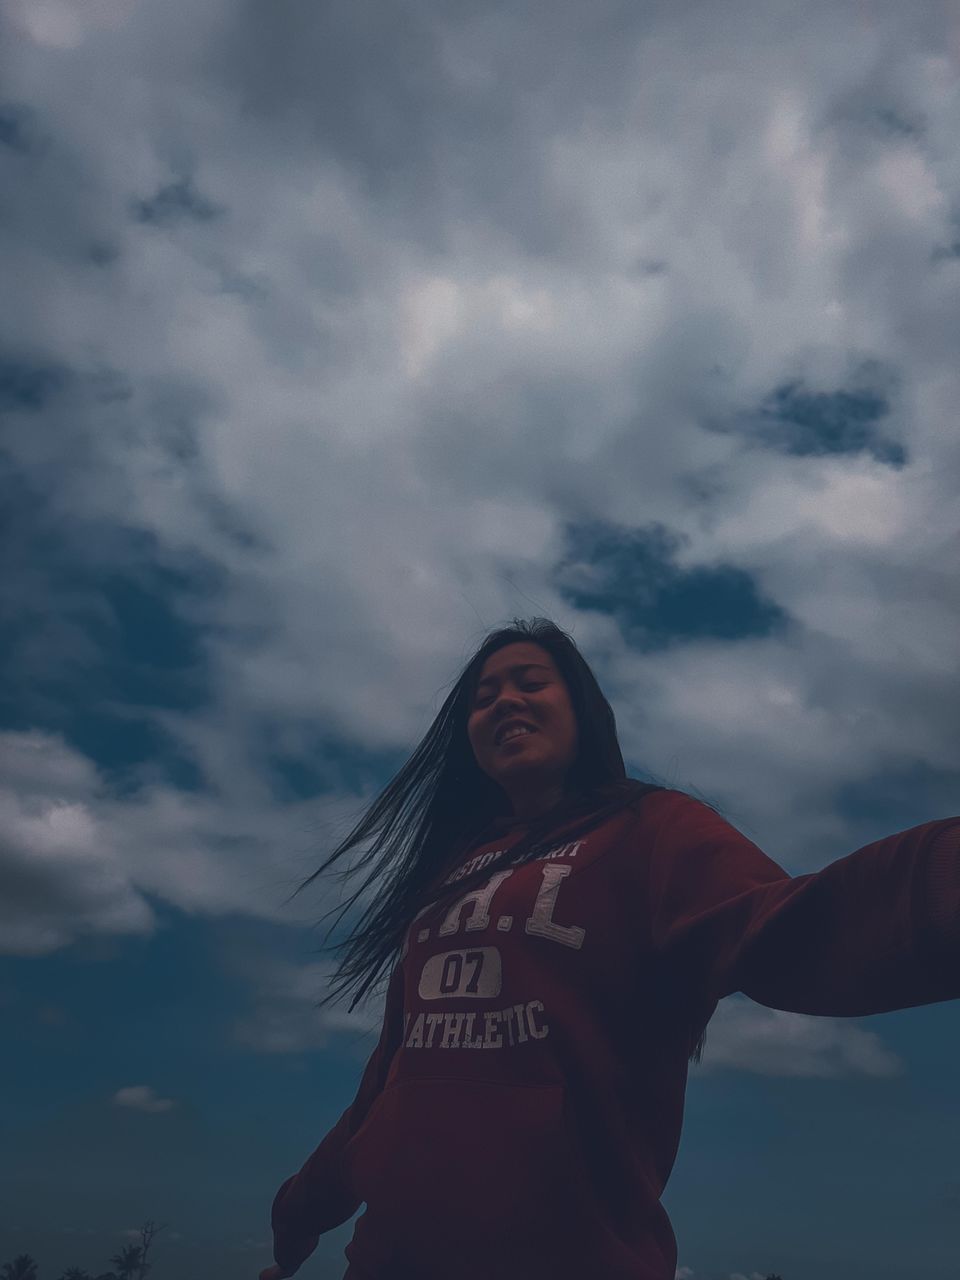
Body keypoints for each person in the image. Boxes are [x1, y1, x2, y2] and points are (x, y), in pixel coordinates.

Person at [259, 617, 959, 1280]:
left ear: (581, 707)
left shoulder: (652, 828)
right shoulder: (446, 876)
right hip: (387, 1260)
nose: (505, 700)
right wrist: (298, 1213)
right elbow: (388, 1080)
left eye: (530, 682)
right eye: (483, 696)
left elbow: (783, 930)